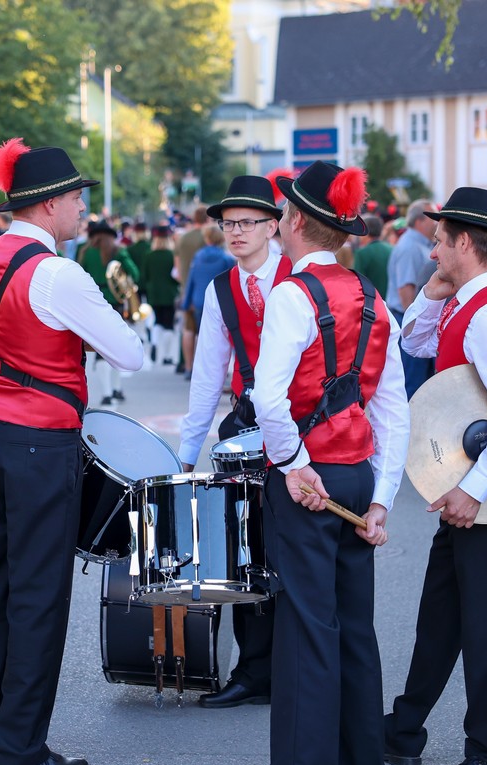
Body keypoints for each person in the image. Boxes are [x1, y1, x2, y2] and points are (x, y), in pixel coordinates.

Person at [0, 139, 144, 765]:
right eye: (75, 198)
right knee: (38, 598)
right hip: (38, 443)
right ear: (47, 206)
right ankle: (22, 752)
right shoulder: (59, 273)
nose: (82, 207)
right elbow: (130, 355)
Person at [254, 161, 408, 765]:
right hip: (353, 479)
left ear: (292, 222)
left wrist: (292, 466)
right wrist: (380, 500)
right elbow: (394, 413)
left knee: (306, 636)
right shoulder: (374, 300)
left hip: (308, 483)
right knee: (355, 632)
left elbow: (268, 399)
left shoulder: (292, 295)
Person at [385, 187, 487, 765]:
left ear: (463, 243)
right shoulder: (466, 302)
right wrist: (434, 292)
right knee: (442, 615)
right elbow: (415, 342)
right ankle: (404, 731)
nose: (430, 246)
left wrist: (474, 491)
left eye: (439, 236)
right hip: (477, 489)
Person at [177, 175, 291, 710]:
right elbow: (206, 377)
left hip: (304, 429)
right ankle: (254, 671)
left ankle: (300, 669)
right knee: (245, 554)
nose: (237, 232)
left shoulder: (300, 276)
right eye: (229, 223)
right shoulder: (220, 288)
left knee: (296, 553)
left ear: (274, 226)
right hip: (245, 429)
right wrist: (183, 455)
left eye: (248, 222)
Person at [78, 220, 140, 404]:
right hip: (115, 303)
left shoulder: (85, 251)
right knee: (115, 346)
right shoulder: (118, 251)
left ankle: (106, 393)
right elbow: (134, 274)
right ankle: (116, 389)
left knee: (99, 349)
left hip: (92, 304)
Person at [385, 199, 438, 397]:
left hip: (415, 322)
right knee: (413, 385)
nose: (436, 222)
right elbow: (406, 291)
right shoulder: (409, 247)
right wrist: (415, 326)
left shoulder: (417, 244)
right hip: (409, 322)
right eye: (432, 218)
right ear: (419, 221)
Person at [180, 225, 237, 379]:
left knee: (202, 335)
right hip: (221, 302)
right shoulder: (227, 259)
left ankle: (198, 369)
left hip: (199, 301)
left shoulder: (198, 257)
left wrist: (186, 303)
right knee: (223, 337)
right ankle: (220, 371)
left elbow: (192, 279)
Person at [176, 207, 210, 375]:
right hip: (205, 289)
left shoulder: (183, 238)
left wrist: (183, 284)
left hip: (186, 288)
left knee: (188, 329)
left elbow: (176, 265)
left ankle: (188, 367)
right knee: (207, 332)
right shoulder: (208, 237)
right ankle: (202, 368)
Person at [140, 225, 179, 365]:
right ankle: (167, 356)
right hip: (169, 293)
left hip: (153, 293)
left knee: (157, 321)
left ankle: (155, 343)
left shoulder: (149, 255)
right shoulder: (171, 255)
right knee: (169, 324)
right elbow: (176, 276)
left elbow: (144, 276)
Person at [352, 213, 391, 299]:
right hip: (390, 302)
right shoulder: (391, 249)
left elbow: (357, 283)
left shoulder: (362, 253)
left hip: (372, 303)